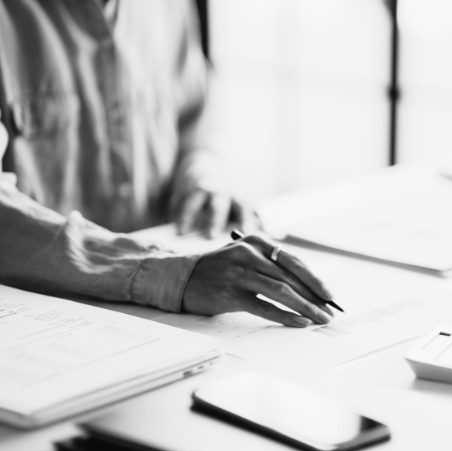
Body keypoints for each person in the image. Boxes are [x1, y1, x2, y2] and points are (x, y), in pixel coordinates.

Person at [0, 0, 334, 327]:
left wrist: (201, 176)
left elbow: (194, 126)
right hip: (42, 323)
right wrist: (168, 274)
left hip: (170, 314)